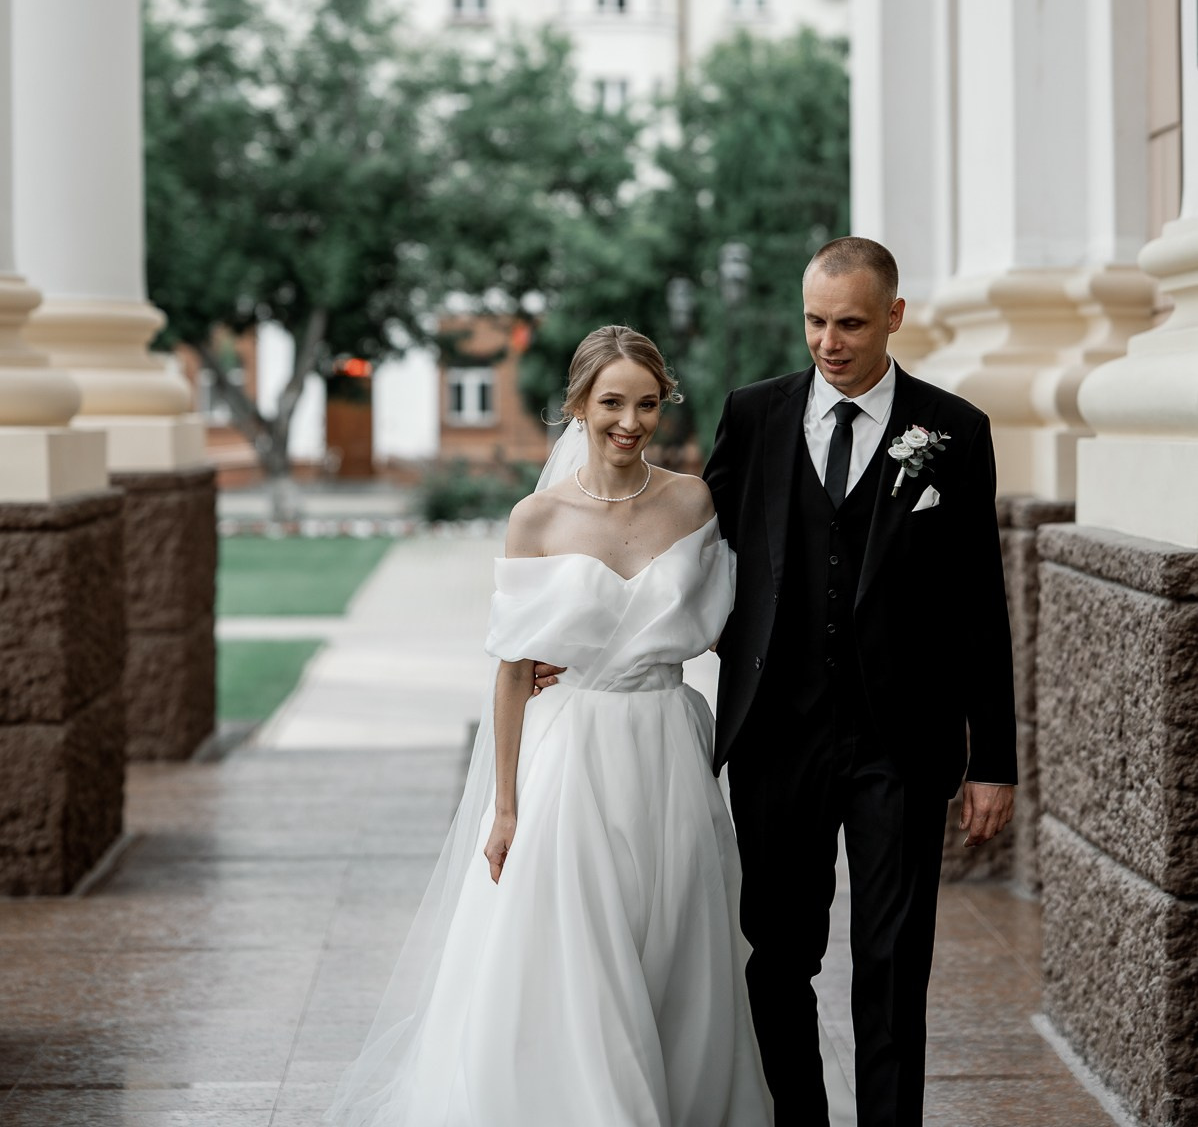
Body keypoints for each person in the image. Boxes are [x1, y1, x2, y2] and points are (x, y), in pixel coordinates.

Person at [326, 324, 772, 1127]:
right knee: (584, 955)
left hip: (670, 747)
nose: (629, 422)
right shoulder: (535, 519)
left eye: (646, 403)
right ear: (577, 406)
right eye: (610, 403)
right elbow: (509, 670)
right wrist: (505, 806)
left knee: (673, 947)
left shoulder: (694, 501)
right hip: (571, 756)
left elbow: (722, 626)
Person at [704, 235, 1017, 1127]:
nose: (828, 341)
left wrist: (992, 757)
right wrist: (586, 625)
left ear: (894, 316)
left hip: (900, 741)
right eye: (813, 320)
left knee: (891, 958)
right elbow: (688, 549)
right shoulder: (755, 416)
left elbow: (978, 605)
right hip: (776, 733)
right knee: (779, 954)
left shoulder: (953, 431)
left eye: (848, 323)